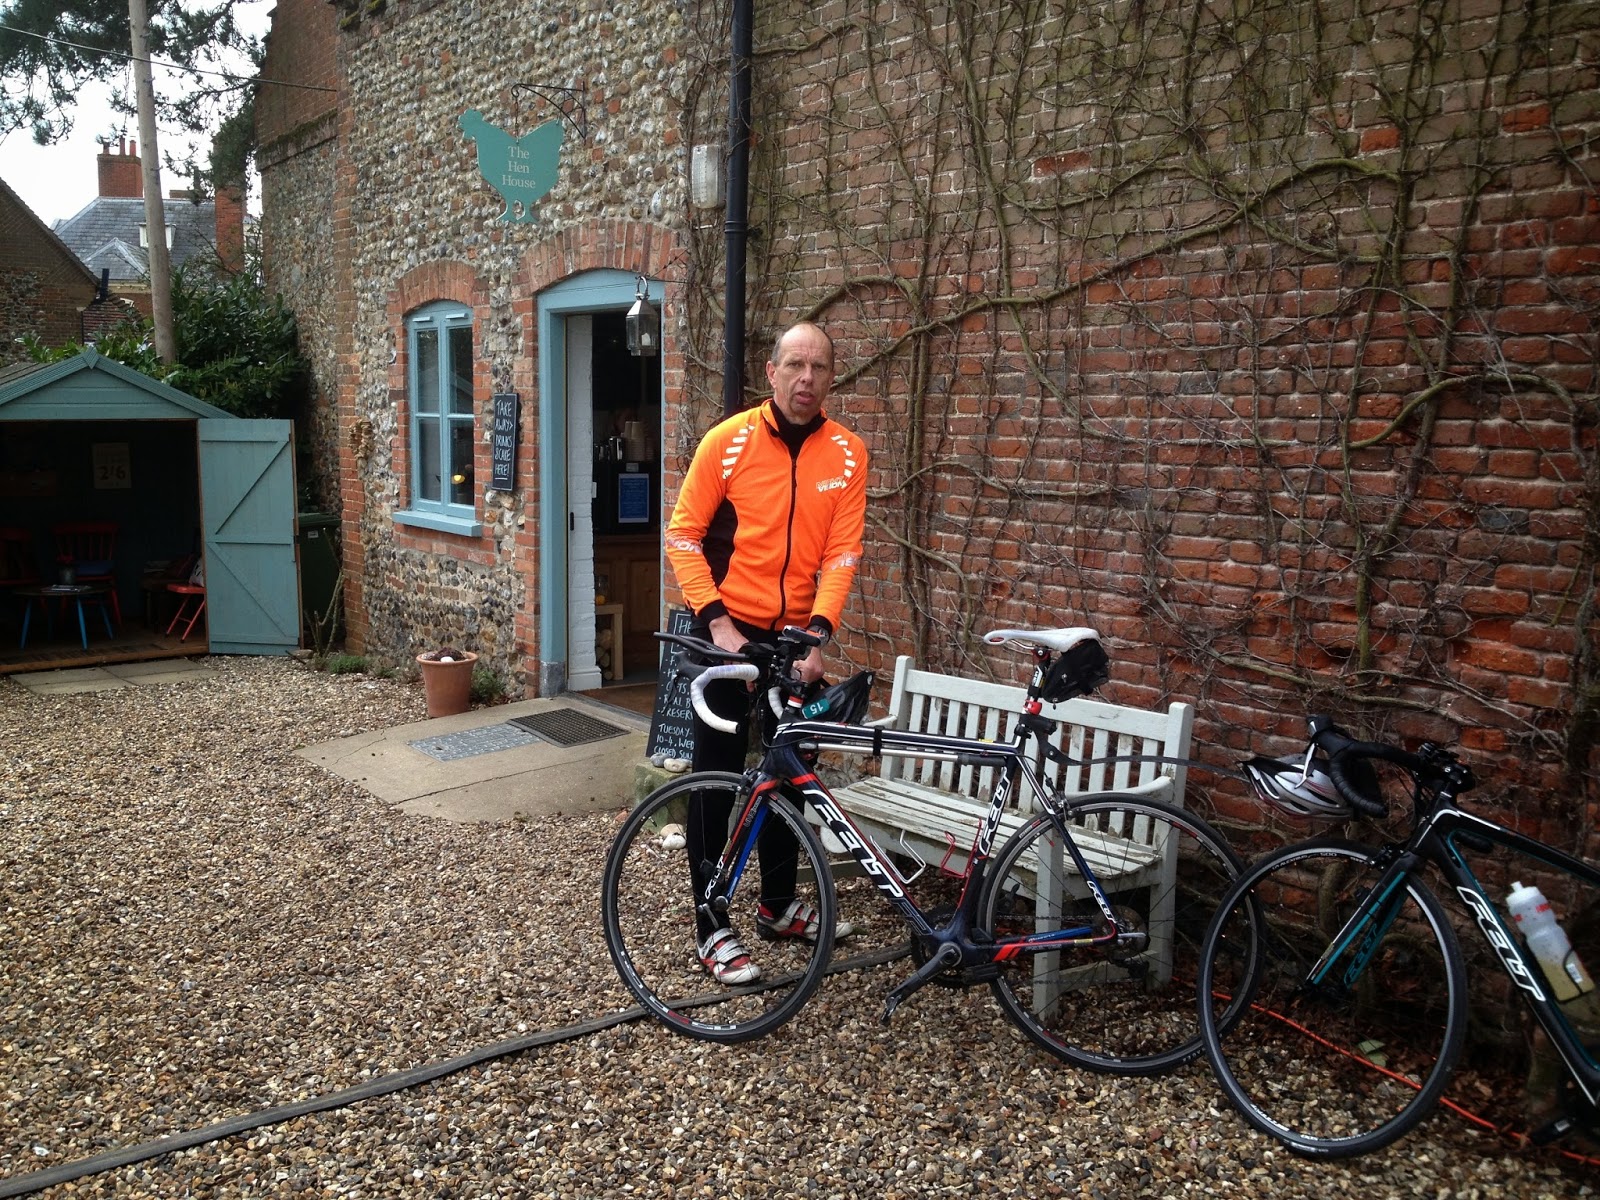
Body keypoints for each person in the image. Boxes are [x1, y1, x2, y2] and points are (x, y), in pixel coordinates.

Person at [664, 321, 869, 984]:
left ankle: (777, 906)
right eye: (795, 365)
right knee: (715, 781)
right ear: (772, 371)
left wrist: (817, 635)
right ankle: (710, 924)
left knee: (791, 774)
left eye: (819, 367)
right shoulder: (728, 442)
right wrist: (718, 625)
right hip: (728, 632)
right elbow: (684, 536)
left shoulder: (848, 454)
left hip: (793, 639)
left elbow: (841, 553)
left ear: (831, 377)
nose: (806, 378)